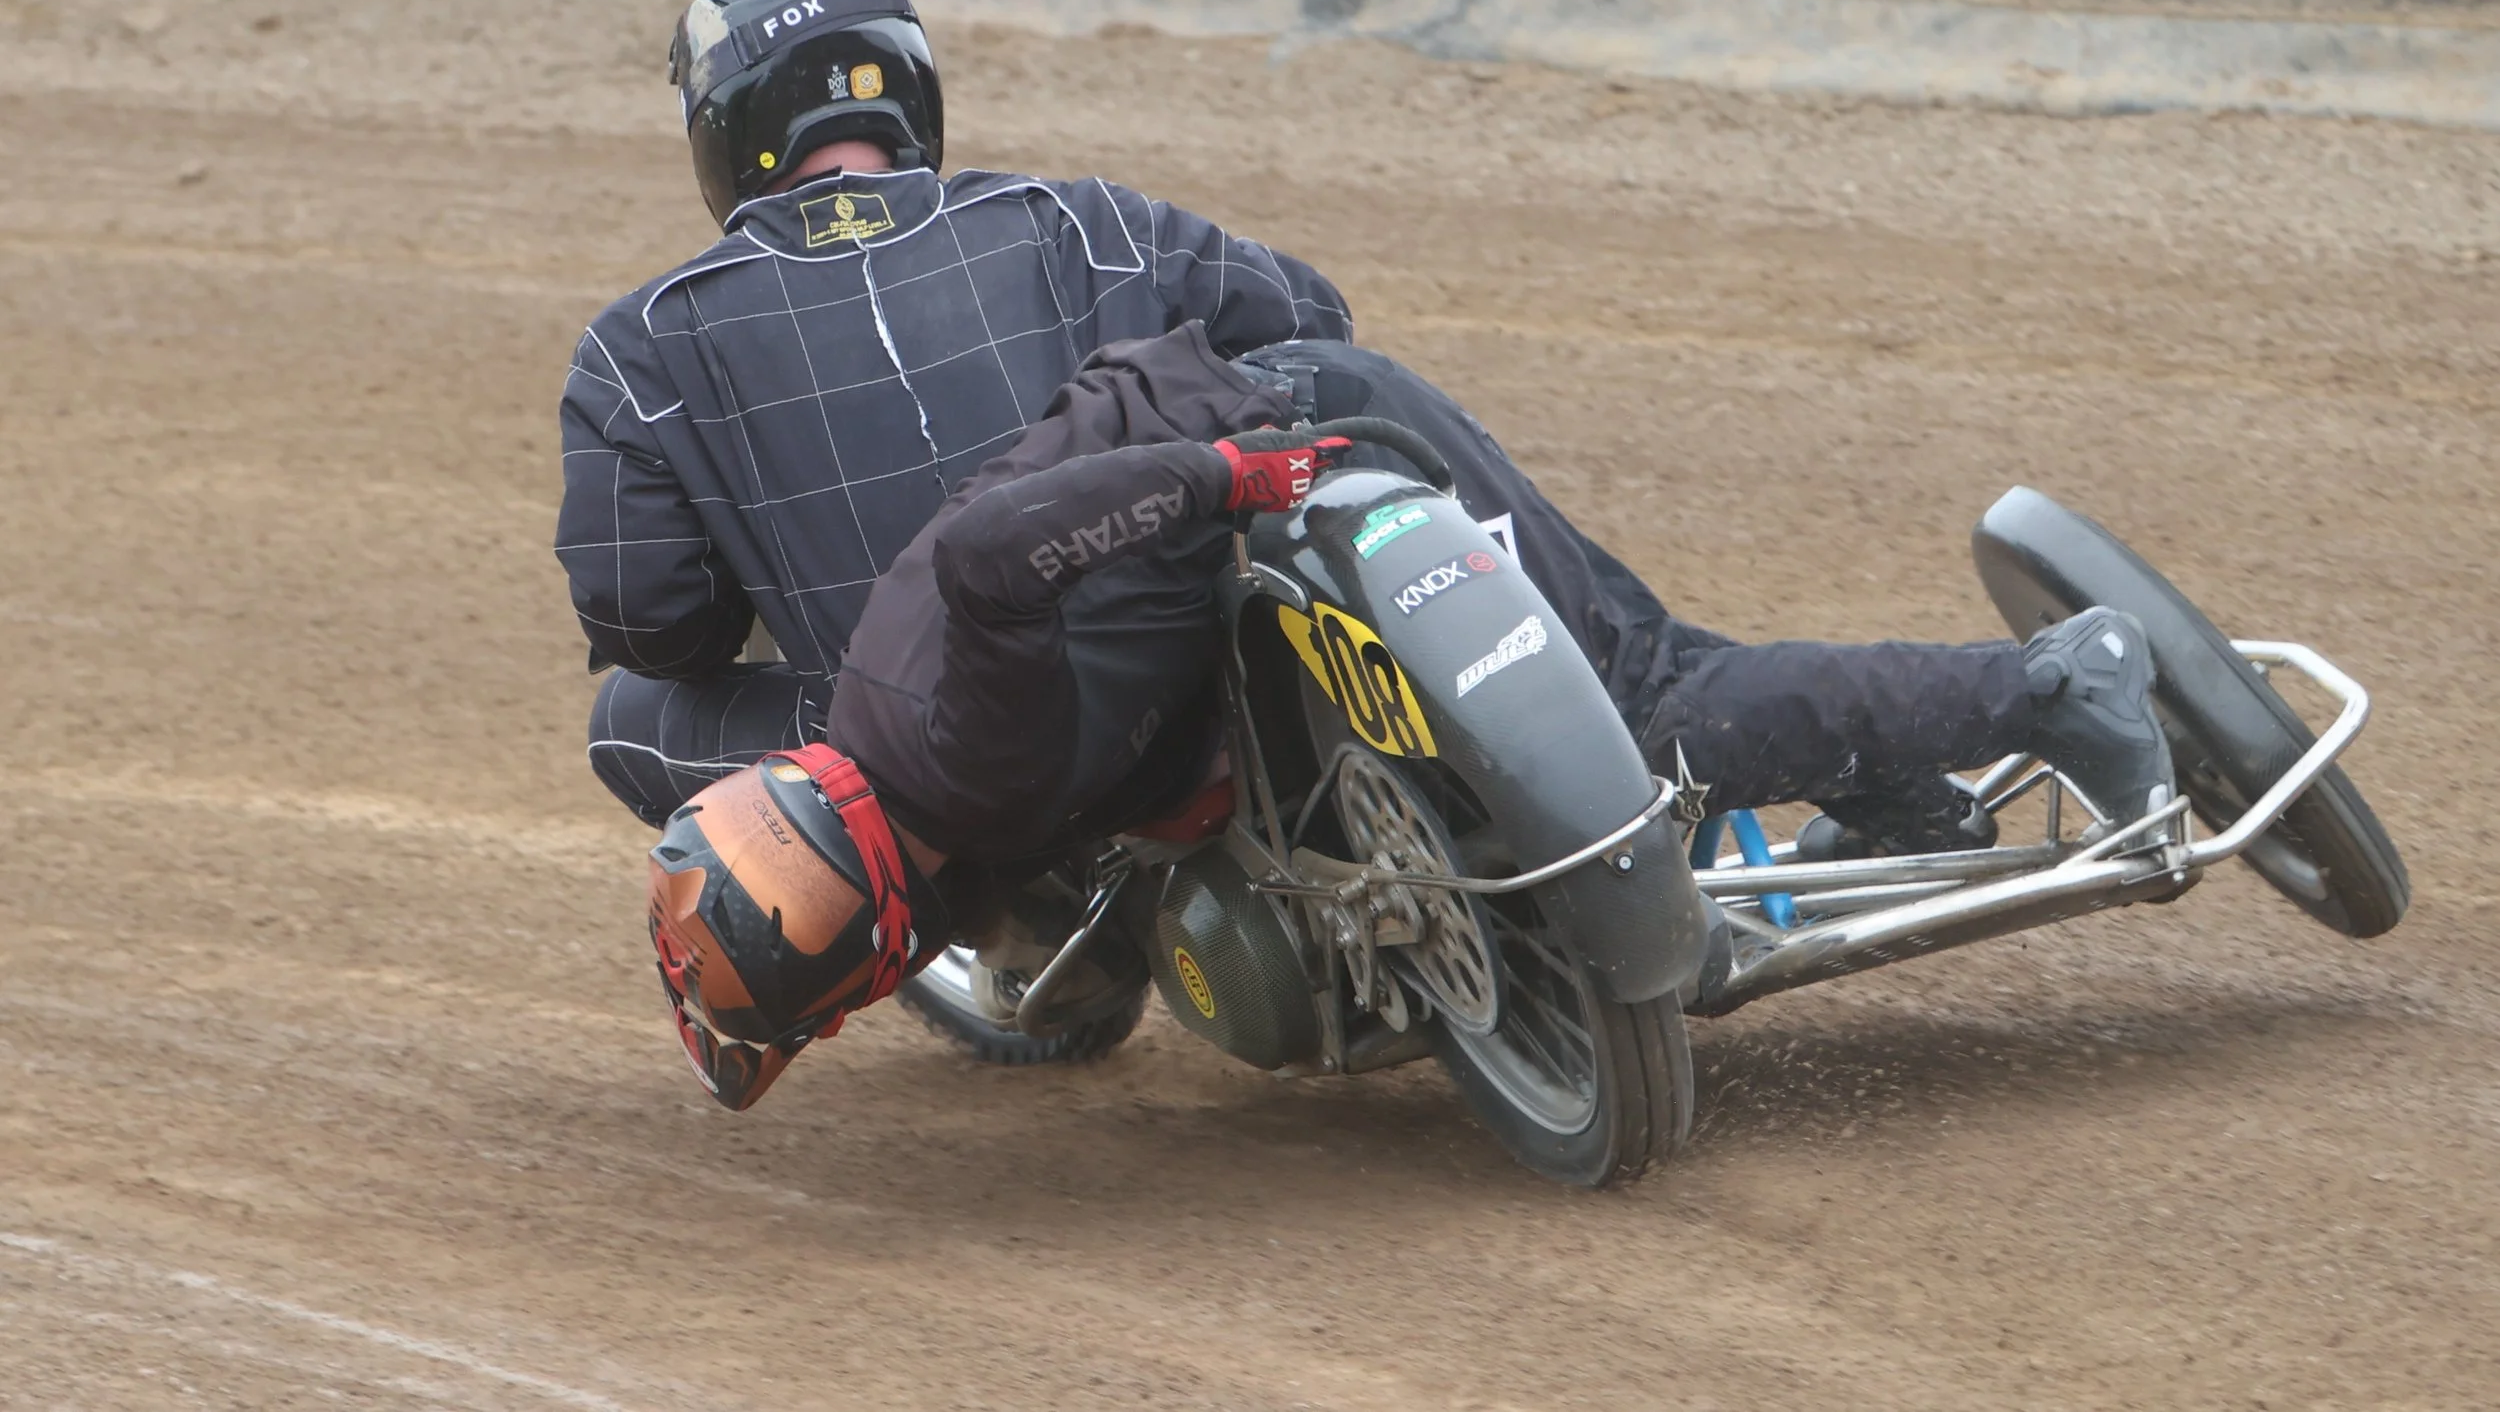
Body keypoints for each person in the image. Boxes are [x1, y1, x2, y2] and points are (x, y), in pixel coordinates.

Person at [641, 324, 2177, 1109]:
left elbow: (991, 551)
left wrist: (1234, 475)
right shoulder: (878, 732)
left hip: (1313, 454)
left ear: (870, 961)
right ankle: (1893, 777)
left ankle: (2054, 681)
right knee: (1621, 697)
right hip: (1260, 482)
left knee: (1642, 702)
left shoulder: (955, 762)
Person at [556, 0, 1352, 827]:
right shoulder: (1081, 224)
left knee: (624, 720)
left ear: (726, 131)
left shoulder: (640, 346)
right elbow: (1311, 322)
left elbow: (649, 623)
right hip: (1172, 693)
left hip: (940, 769)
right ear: (907, 85)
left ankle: (930, 927)